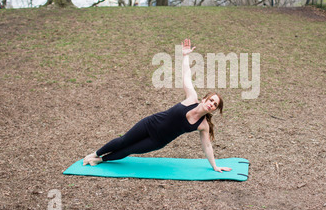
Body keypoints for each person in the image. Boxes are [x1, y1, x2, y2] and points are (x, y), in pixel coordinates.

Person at [83, 39, 232, 173]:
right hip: (150, 124)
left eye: (215, 104)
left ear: (215, 109)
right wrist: (185, 56)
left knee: (129, 150)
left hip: (158, 141)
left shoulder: (203, 125)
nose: (211, 104)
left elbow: (207, 147)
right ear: (204, 99)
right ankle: (95, 154)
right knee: (123, 141)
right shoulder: (192, 98)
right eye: (211, 100)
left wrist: (215, 166)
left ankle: (101, 160)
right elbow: (186, 75)